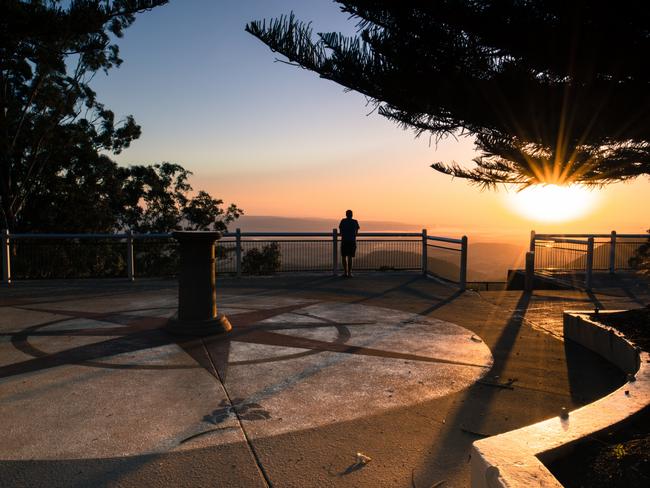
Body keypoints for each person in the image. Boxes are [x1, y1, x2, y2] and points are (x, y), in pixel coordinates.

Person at [339, 209, 360, 278]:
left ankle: (345, 272)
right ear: (352, 215)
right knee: (350, 257)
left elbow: (340, 231)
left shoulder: (343, 221)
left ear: (346, 214)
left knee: (344, 256)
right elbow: (356, 232)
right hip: (352, 241)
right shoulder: (355, 222)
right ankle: (350, 273)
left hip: (344, 240)